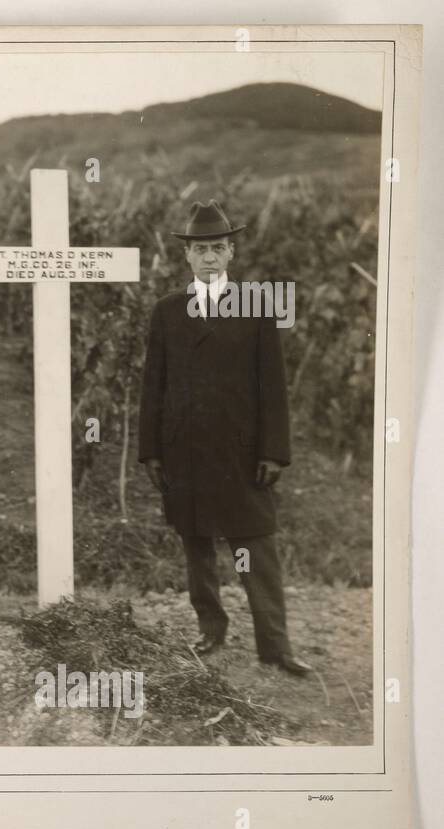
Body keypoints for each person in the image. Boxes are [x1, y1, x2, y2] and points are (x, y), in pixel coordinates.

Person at [137, 200, 312, 676]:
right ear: (187, 257)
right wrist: (150, 451)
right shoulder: (167, 312)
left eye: (218, 247)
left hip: (241, 455)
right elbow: (154, 384)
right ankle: (210, 630)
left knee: (255, 547)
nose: (210, 257)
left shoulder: (258, 307)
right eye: (200, 249)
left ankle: (275, 647)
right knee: (196, 545)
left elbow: (274, 387)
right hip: (184, 452)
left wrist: (274, 452)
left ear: (231, 252)